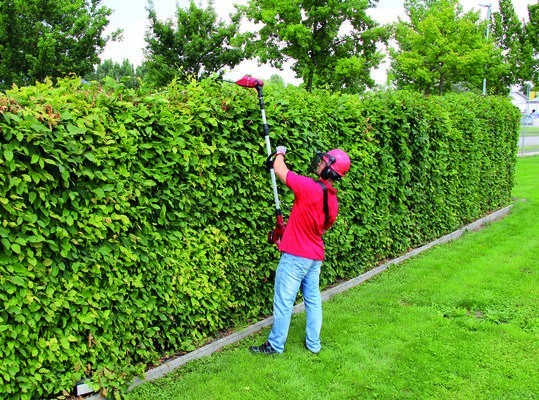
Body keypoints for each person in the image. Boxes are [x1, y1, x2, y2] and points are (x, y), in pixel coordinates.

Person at [249, 146, 351, 355]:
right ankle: (314, 344)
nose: (319, 163)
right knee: (313, 300)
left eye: (323, 162)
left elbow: (280, 170)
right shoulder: (332, 201)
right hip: (314, 257)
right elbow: (320, 229)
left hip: (296, 257)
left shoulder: (309, 187)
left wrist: (280, 152)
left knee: (284, 301)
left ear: (329, 170)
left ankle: (275, 345)